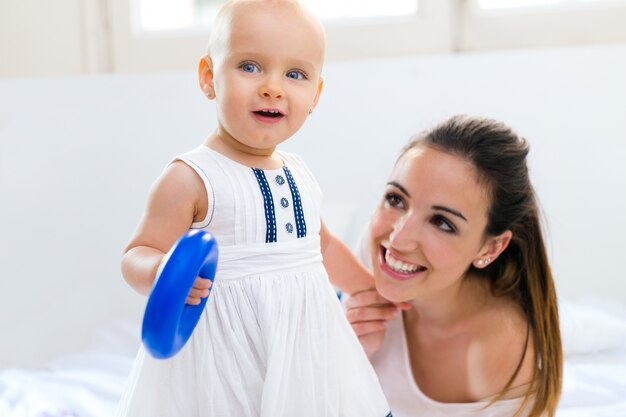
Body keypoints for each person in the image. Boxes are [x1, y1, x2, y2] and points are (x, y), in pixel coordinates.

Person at [116, 1, 391, 416]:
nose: (273, 88)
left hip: (301, 352)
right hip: (224, 362)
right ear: (209, 78)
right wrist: (161, 270)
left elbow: (324, 246)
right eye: (249, 67)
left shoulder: (299, 171)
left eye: (295, 74)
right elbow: (136, 253)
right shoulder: (192, 177)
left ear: (315, 94)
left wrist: (369, 287)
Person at [346, 115, 563, 417]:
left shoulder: (496, 351)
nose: (398, 239)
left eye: (442, 222)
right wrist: (351, 358)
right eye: (396, 199)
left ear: (491, 247)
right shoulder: (375, 254)